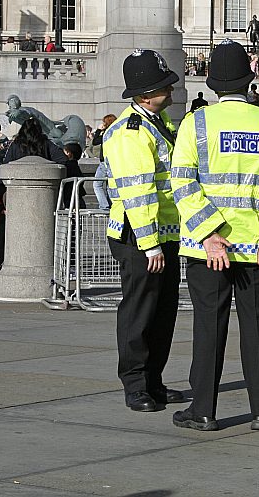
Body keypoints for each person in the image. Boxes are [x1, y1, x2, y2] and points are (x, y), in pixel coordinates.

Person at [171, 39, 259, 432]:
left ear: (212, 84)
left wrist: (209, 232)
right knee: (258, 328)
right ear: (250, 80)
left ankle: (204, 410)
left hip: (209, 247)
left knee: (208, 327)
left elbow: (182, 181)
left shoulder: (195, 124)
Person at [103, 48, 183, 413]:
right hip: (140, 236)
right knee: (139, 311)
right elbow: (139, 192)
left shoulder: (156, 124)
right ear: (145, 93)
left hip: (164, 234)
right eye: (164, 86)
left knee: (163, 311)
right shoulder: (129, 132)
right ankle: (135, 383)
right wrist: (151, 245)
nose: (171, 91)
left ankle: (154, 381)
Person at [3, 117, 68, 165]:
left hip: (18, 180)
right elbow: (63, 160)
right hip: (43, 180)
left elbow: (6, 164)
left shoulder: (15, 145)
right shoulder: (47, 143)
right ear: (39, 130)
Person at [92, 114, 117, 210]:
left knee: (97, 185)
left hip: (105, 163)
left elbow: (95, 141)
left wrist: (99, 130)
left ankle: (104, 206)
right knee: (109, 186)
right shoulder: (116, 133)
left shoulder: (108, 133)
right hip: (113, 162)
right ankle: (111, 205)